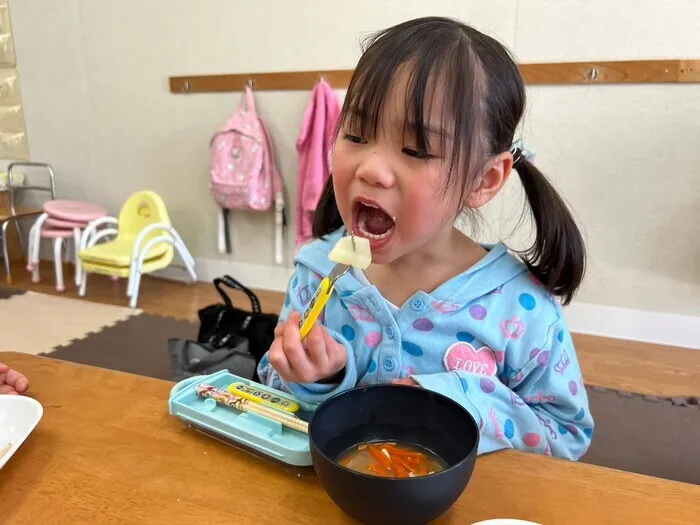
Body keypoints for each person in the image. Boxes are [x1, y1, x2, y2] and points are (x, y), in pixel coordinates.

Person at [258, 16, 593, 460]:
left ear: (484, 180)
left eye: (416, 150)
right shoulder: (318, 274)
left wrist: (460, 400)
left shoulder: (520, 308)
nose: (371, 169)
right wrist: (315, 379)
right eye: (356, 134)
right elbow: (272, 387)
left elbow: (566, 434)